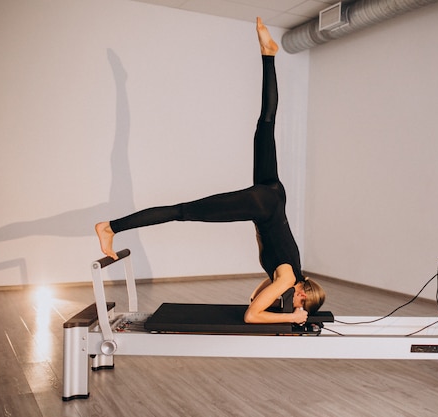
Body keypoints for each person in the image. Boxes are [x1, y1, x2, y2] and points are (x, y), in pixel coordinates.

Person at [95, 18, 325, 325]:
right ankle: (110, 227)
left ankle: (268, 54)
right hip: (262, 205)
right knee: (181, 211)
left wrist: (282, 302)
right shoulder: (285, 280)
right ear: (302, 296)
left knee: (266, 121)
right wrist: (293, 318)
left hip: (273, 194)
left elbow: (257, 297)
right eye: (300, 303)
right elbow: (252, 314)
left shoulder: (290, 272)